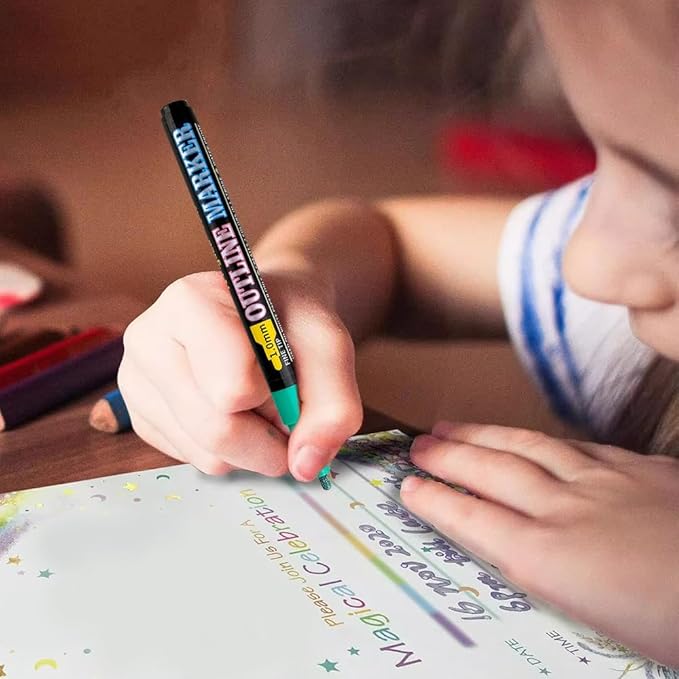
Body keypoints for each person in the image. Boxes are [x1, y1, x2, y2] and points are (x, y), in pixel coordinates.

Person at [118, 0, 679, 665]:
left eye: (673, 197)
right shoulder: (623, 263)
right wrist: (295, 282)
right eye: (599, 163)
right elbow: (387, 242)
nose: (582, 260)